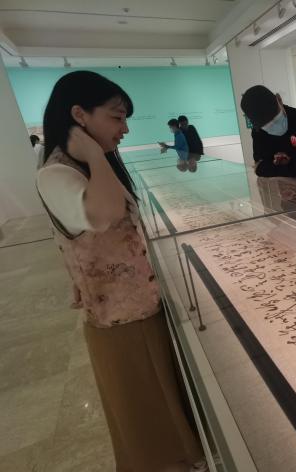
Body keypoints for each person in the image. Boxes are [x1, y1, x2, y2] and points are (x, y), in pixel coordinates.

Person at [36, 71, 206, 472]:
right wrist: (96, 155)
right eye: (116, 117)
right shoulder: (57, 171)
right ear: (79, 114)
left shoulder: (91, 165)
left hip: (142, 306)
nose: (125, 128)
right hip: (120, 321)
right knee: (148, 430)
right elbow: (103, 215)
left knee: (168, 416)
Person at [240, 85, 296, 178]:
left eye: (275, 118)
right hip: (279, 185)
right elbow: (259, 168)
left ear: (279, 99)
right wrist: (291, 164)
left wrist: (277, 166)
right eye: (267, 125)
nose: (273, 125)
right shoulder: (258, 131)